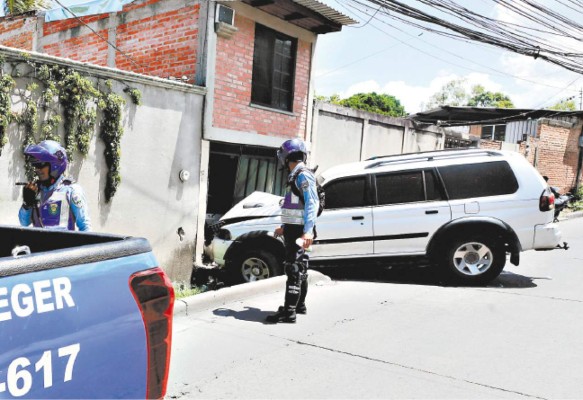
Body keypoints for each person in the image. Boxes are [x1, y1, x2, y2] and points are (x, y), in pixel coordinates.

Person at [265, 138, 319, 324]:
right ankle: (298, 305)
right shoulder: (295, 175)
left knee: (294, 268)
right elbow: (295, 207)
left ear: (287, 157)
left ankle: (289, 312)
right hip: (294, 230)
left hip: (300, 232)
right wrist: (284, 227)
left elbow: (312, 203)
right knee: (300, 267)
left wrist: (308, 232)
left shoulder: (302, 175)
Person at [19, 140, 92, 231]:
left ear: (55, 165)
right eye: (35, 165)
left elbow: (85, 227)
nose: (37, 169)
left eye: (40, 165)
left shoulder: (71, 191)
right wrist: (27, 203)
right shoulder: (36, 190)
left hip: (65, 245)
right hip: (38, 244)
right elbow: (24, 223)